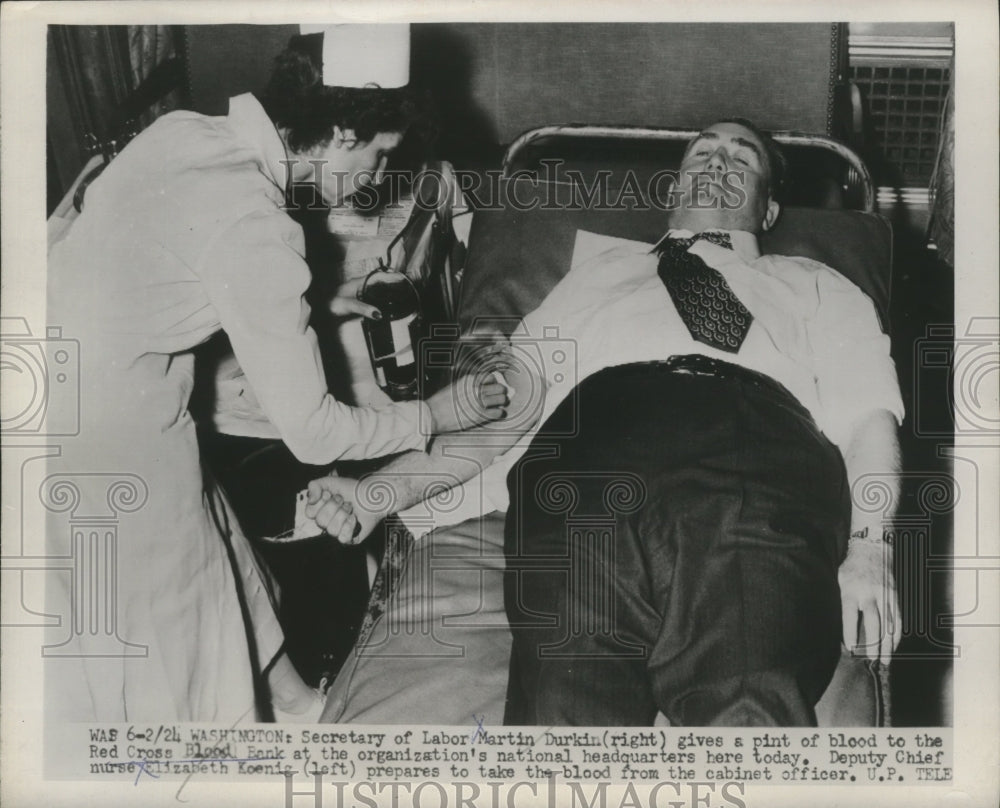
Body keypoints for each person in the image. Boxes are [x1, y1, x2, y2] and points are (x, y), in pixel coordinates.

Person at [306, 119, 903, 726]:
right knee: (562, 714)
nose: (718, 163)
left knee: (746, 703)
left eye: (740, 158)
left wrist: (871, 548)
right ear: (674, 190)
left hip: (752, 448)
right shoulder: (589, 280)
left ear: (770, 209)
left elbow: (866, 416)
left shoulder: (821, 287)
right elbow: (503, 416)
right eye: (703, 153)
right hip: (587, 455)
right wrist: (375, 491)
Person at [43, 24, 506, 724]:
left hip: (52, 388)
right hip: (108, 447)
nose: (378, 179)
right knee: (178, 653)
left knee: (225, 549)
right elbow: (316, 435)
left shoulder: (183, 132)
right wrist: (437, 415)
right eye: (381, 155)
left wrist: (317, 304)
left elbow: (173, 269)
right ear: (345, 133)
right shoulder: (260, 226)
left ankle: (294, 701)